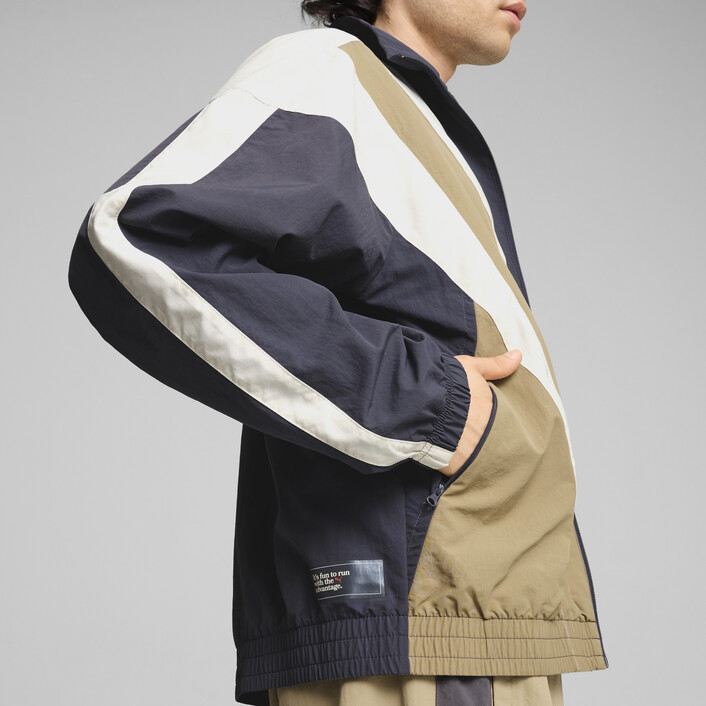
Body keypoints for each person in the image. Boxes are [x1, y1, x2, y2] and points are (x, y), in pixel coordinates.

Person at [67, 0, 609, 704]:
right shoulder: (328, 73)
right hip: (418, 625)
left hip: (483, 612)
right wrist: (435, 408)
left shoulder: (405, 111)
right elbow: (136, 237)